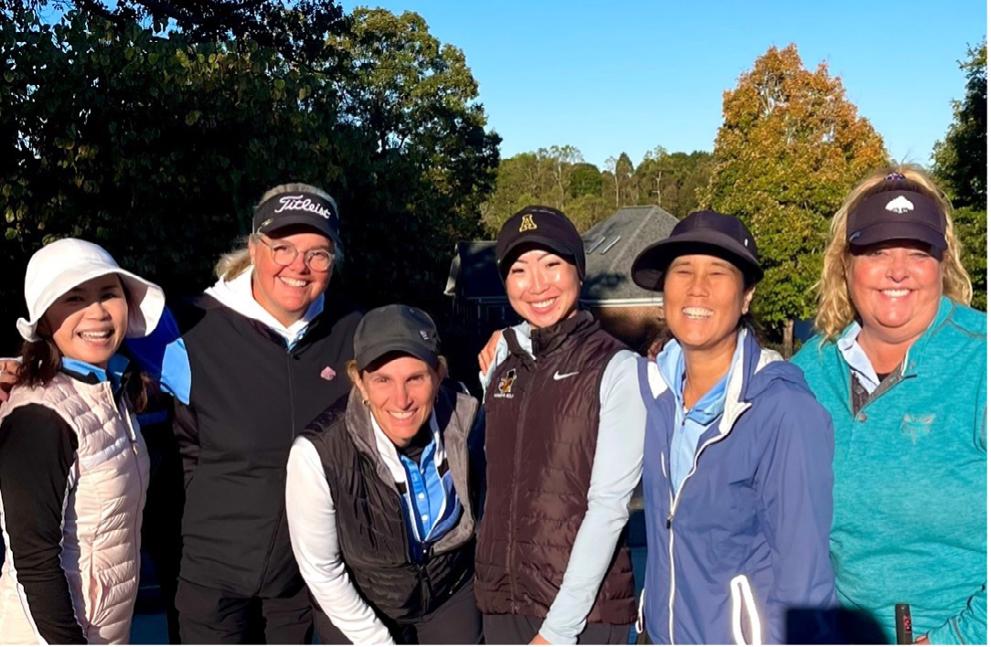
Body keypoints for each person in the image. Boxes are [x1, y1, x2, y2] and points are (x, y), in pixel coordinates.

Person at [127, 182, 362, 643]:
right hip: (209, 580)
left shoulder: (352, 331)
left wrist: (502, 342)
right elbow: (92, 351)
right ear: (255, 248)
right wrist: (26, 370)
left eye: (317, 254)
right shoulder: (187, 327)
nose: (299, 266)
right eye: (283, 248)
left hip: (299, 584)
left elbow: (423, 374)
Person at [792, 167, 986, 645]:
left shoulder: (980, 361)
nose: (898, 270)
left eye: (918, 252)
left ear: (943, 263)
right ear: (845, 264)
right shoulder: (806, 373)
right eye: (877, 251)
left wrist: (955, 639)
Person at [630, 210, 835, 644]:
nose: (697, 287)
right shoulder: (652, 390)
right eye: (683, 270)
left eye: (718, 272)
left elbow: (805, 579)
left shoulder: (782, 411)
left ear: (746, 297)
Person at [474, 206, 643, 644]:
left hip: (583, 617)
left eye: (551, 264)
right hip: (504, 605)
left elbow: (609, 508)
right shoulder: (502, 361)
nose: (537, 285)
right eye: (519, 270)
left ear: (578, 272)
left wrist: (559, 630)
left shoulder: (618, 368)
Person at [286, 304, 484, 644]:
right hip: (362, 601)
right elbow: (322, 570)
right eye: (382, 380)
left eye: (415, 378)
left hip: (448, 593)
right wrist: (378, 640)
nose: (401, 399)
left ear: (438, 375)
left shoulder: (468, 419)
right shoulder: (317, 453)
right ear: (359, 382)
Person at [0, 238, 165, 644]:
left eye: (108, 293)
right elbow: (32, 561)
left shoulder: (111, 390)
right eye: (74, 298)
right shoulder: (40, 415)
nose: (97, 312)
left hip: (106, 629)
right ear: (44, 319)